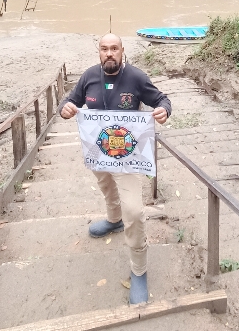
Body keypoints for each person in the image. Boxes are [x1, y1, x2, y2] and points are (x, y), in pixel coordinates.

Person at [58, 33, 171, 304]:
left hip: (128, 157)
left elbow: (163, 100)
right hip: (98, 153)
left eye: (114, 49)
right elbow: (68, 101)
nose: (109, 53)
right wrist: (66, 108)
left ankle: (139, 271)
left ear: (122, 51)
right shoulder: (88, 77)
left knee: (134, 209)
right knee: (106, 187)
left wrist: (164, 111)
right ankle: (113, 220)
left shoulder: (136, 78)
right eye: (104, 49)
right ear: (99, 52)